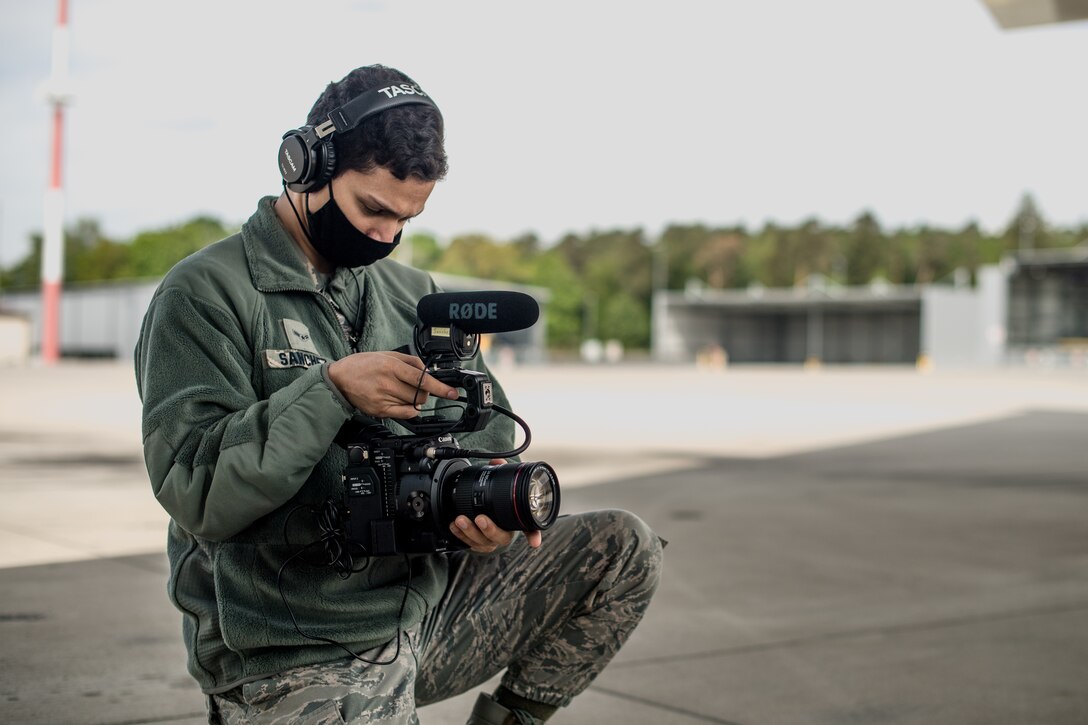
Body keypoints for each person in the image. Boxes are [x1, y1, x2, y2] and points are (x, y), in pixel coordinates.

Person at [135, 64, 663, 725]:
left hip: (424, 610)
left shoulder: (409, 294)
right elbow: (197, 489)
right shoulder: (206, 295)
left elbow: (487, 439)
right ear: (306, 166)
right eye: (373, 209)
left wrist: (483, 512)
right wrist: (330, 390)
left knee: (622, 548)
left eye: (406, 218)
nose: (385, 236)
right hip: (294, 643)